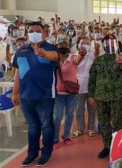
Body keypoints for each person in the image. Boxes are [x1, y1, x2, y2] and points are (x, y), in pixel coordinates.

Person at [11, 22, 59, 166]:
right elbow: (17, 74)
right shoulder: (20, 51)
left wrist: (43, 53)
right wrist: (15, 93)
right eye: (31, 31)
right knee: (32, 126)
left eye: (38, 31)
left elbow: (54, 56)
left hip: (45, 97)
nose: (34, 33)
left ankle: (46, 152)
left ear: (45, 33)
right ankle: (32, 153)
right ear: (26, 34)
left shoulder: (50, 49)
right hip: (26, 97)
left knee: (46, 125)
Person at [88, 34, 122, 159]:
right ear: (103, 45)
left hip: (116, 97)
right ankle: (107, 146)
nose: (109, 46)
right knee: (104, 123)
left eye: (112, 43)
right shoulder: (98, 60)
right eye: (107, 43)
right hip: (101, 97)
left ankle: (118, 146)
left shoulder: (120, 59)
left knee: (117, 123)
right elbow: (92, 79)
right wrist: (91, 95)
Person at [53, 36, 86, 148]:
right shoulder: (54, 59)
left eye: (65, 44)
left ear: (68, 46)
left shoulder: (73, 58)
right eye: (60, 45)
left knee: (69, 115)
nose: (63, 46)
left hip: (72, 94)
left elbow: (79, 58)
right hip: (58, 94)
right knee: (57, 117)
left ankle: (66, 136)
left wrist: (82, 53)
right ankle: (55, 138)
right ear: (57, 46)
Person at [71, 36, 100, 138]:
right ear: (78, 44)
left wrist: (96, 48)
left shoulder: (91, 55)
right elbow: (77, 61)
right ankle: (80, 128)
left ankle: (91, 128)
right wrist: (81, 54)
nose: (85, 45)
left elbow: (96, 55)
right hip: (78, 87)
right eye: (83, 43)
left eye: (88, 43)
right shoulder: (74, 56)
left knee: (92, 108)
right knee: (79, 109)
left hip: (91, 87)